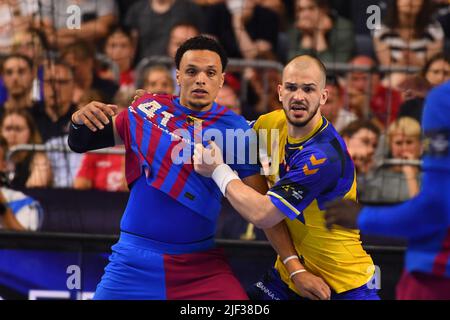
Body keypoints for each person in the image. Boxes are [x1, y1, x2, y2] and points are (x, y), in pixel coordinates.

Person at [68, 36, 263, 300]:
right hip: (132, 264)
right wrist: (80, 120)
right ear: (179, 76)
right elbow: (80, 142)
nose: (201, 79)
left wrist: (293, 266)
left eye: (210, 73)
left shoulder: (237, 130)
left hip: (200, 268)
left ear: (222, 79)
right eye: (192, 71)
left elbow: (261, 207)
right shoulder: (146, 111)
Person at [193, 55, 378, 300]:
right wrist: (155, 107)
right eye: (291, 87)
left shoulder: (323, 155)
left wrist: (218, 170)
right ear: (280, 92)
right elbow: (224, 132)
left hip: (345, 286)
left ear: (323, 96)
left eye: (309, 89)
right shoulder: (273, 123)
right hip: (290, 277)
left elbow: (263, 214)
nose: (298, 96)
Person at [324, 81, 450, 300]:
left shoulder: (443, 100)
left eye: (373, 144)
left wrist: (364, 217)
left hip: (437, 275)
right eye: (364, 141)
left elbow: (434, 208)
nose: (369, 150)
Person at [0, 109, 52, 189]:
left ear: (30, 133)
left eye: (18, 129)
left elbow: (35, 188)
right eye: (8, 128)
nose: (12, 134)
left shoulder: (39, 159)